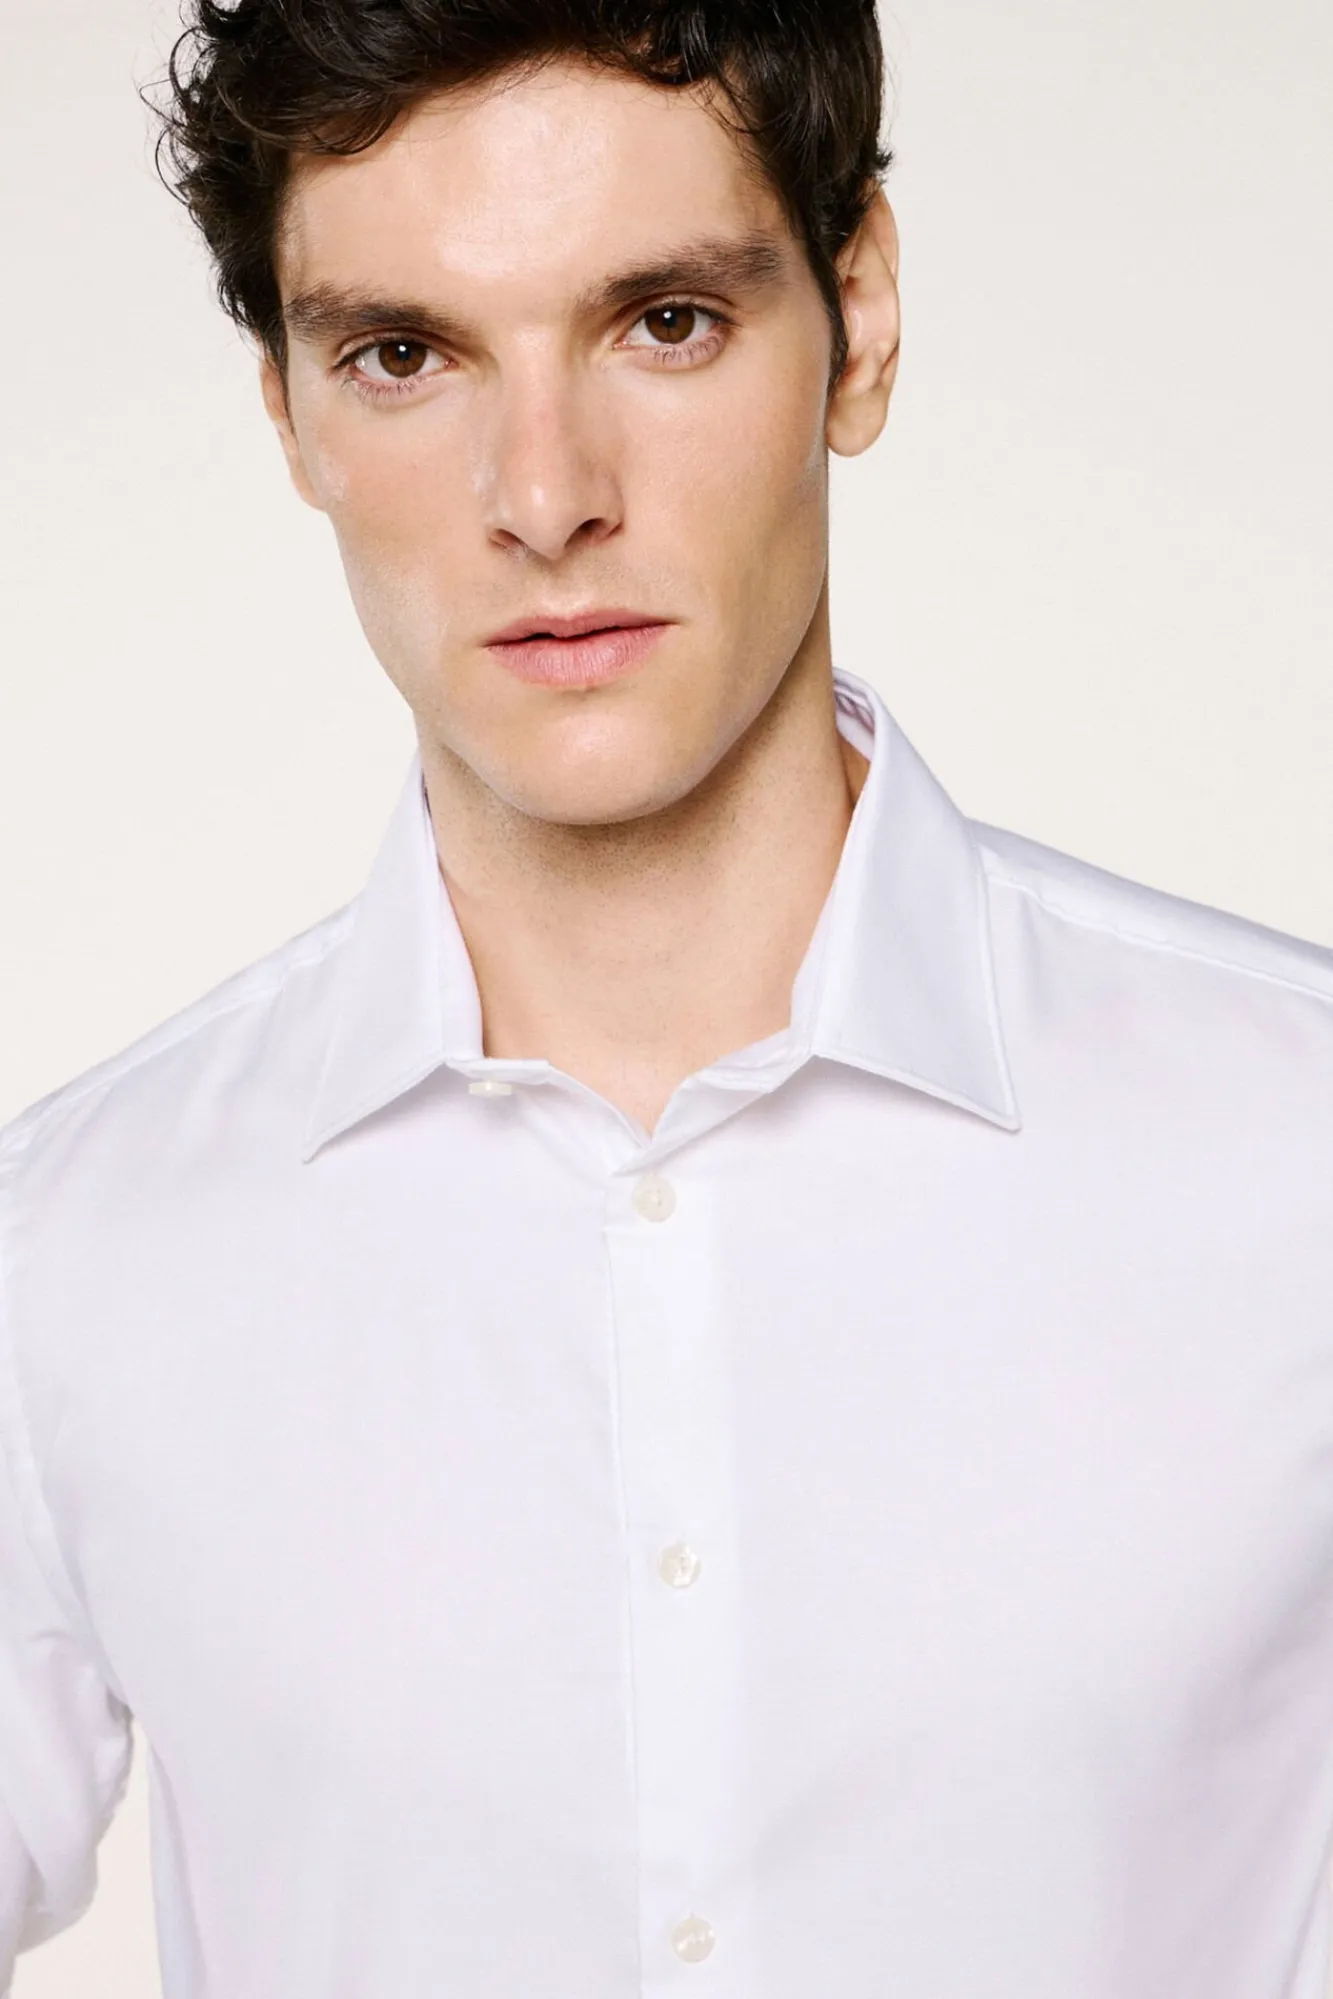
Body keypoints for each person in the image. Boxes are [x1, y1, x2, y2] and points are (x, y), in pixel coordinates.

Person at [2, 1, 1331, 1993]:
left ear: (858, 321)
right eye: (404, 354)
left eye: (665, 322)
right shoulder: (69, 1258)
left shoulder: (1296, 1157)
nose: (545, 496)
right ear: (287, 413)